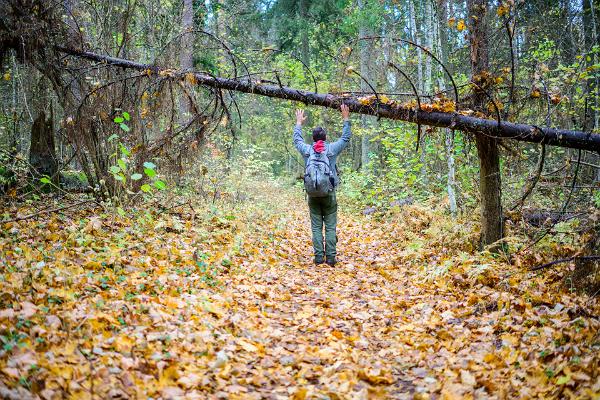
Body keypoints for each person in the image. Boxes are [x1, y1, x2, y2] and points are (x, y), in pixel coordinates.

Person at [293, 104, 352, 266]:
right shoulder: (331, 149)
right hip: (329, 194)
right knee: (331, 227)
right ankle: (331, 258)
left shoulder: (307, 150)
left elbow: (297, 140)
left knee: (316, 227)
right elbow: (345, 138)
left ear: (313, 139)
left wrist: (298, 123)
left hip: (312, 194)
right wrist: (346, 118)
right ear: (325, 138)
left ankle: (319, 258)